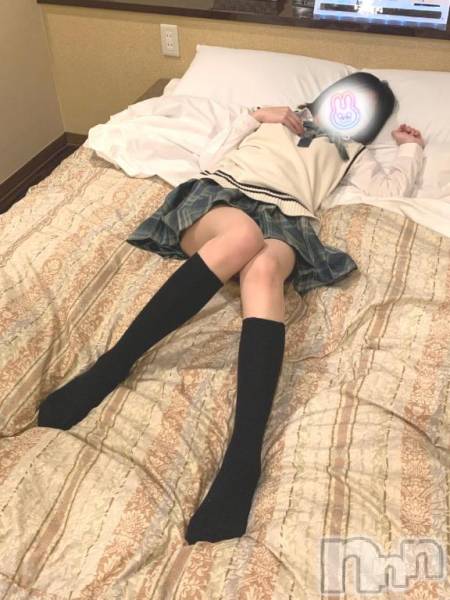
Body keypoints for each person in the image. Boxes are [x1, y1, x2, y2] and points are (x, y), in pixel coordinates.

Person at [37, 72, 425, 545]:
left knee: (263, 271)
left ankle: (244, 455)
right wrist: (256, 115)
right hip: (223, 201)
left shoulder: (352, 152)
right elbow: (210, 156)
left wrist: (409, 149)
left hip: (288, 221)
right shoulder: (276, 118)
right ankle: (113, 365)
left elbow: (388, 192)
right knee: (243, 236)